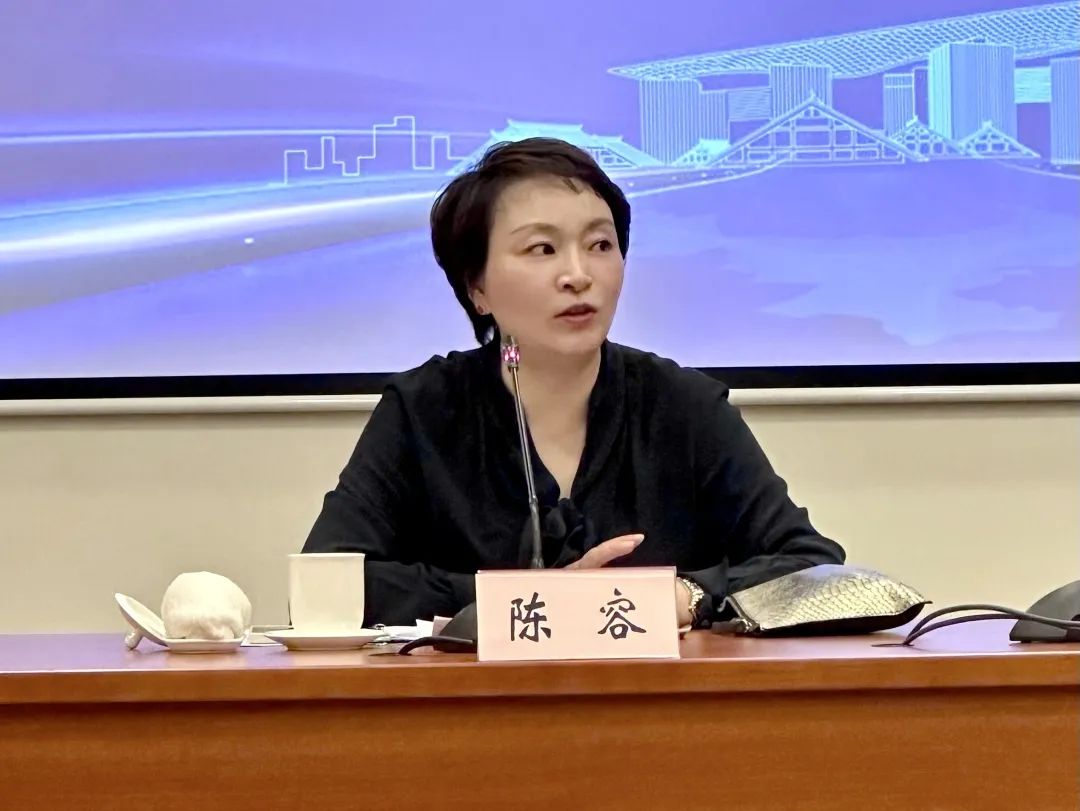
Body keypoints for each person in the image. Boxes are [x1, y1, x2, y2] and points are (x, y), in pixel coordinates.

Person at [303, 137, 845, 627]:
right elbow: (327, 582)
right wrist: (533, 600)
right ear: (477, 288)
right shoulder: (423, 410)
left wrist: (685, 595)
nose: (579, 275)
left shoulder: (683, 405)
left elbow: (811, 565)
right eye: (542, 249)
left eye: (600, 245)